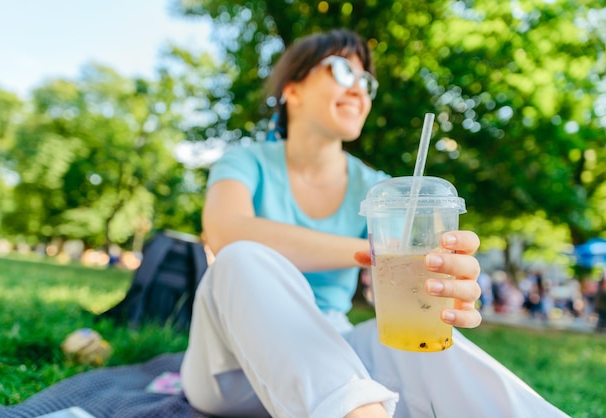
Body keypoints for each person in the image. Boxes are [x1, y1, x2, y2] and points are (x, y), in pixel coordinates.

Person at [180, 29, 569, 418]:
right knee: (243, 258)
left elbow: (393, 293)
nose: (360, 90)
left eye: (367, 81)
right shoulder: (246, 162)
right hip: (229, 368)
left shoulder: (378, 190)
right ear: (292, 90)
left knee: (430, 353)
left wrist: (440, 285)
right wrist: (378, 253)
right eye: (341, 72)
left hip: (332, 349)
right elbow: (227, 232)